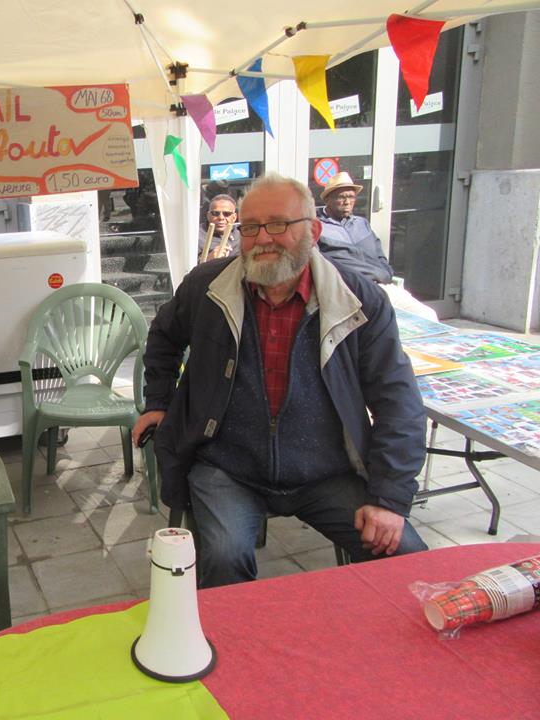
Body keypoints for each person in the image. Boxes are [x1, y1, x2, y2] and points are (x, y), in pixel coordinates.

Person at [132, 173, 428, 588]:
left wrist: (389, 500)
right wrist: (158, 402)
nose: (262, 238)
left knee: (408, 559)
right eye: (250, 227)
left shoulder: (358, 299)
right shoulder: (207, 288)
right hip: (227, 467)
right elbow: (163, 337)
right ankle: (237, 648)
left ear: (313, 230)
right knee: (224, 557)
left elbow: (398, 402)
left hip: (326, 472)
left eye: (277, 224)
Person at [317, 172, 437, 320]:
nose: (347, 202)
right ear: (328, 199)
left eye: (351, 197)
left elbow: (380, 256)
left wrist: (385, 273)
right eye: (342, 197)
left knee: (427, 315)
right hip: (352, 291)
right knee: (386, 322)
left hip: (382, 286)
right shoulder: (318, 227)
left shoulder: (362, 224)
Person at [198, 194, 240, 261]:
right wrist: (207, 259)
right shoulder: (196, 236)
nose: (221, 218)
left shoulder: (241, 232)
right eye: (215, 213)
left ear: (234, 217)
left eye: (226, 214)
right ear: (208, 216)